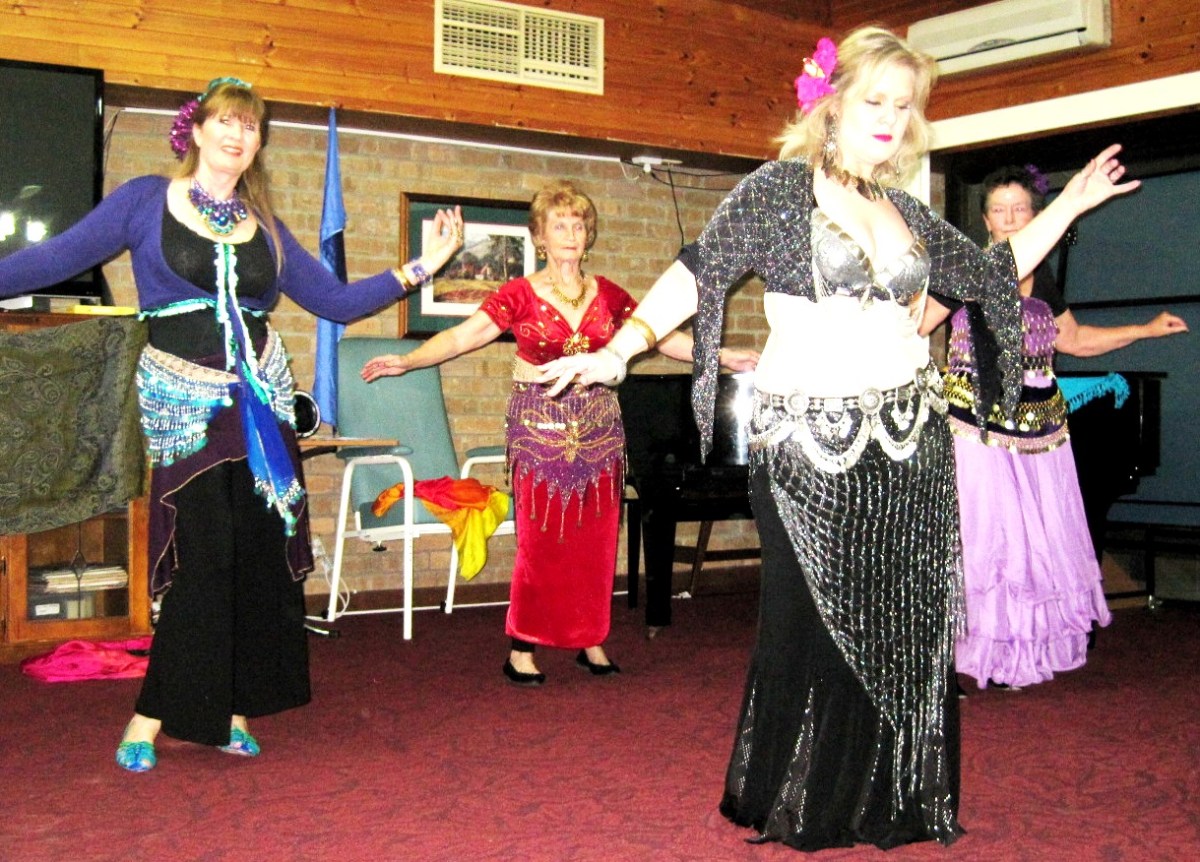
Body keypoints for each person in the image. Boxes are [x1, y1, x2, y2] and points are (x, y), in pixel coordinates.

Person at [537, 27, 1138, 851]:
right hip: (807, 446)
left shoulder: (908, 210)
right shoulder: (782, 191)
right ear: (830, 106)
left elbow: (992, 275)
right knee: (814, 621)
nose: (892, 118)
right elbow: (699, 268)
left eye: (905, 104)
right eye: (875, 101)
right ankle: (806, 794)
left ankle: (890, 795)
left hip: (906, 441)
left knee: (907, 622)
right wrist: (617, 349)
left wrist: (1069, 205)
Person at [0, 77, 464, 772]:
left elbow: (335, 303)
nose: (238, 135)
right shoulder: (143, 201)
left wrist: (424, 265)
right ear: (195, 128)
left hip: (261, 408)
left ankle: (233, 706)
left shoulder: (265, 228)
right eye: (226, 121)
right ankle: (151, 716)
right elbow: (52, 258)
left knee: (252, 557)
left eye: (250, 127)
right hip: (187, 403)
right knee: (203, 556)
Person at [361, 179, 757, 686]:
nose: (570, 234)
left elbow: (658, 335)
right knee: (542, 540)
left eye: (578, 225)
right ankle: (522, 646)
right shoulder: (518, 295)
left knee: (594, 540)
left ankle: (589, 637)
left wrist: (720, 355)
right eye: (559, 225)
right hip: (539, 431)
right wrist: (408, 360)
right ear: (540, 237)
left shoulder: (609, 294)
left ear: (587, 235)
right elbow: (464, 336)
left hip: (600, 432)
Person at [921, 164, 1188, 691]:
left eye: (1020, 208)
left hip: (1041, 432)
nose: (1010, 218)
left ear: (1037, 214)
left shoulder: (1044, 280)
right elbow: (916, 325)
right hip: (975, 429)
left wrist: (1145, 329)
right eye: (999, 210)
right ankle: (960, 655)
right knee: (984, 541)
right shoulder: (967, 270)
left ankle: (1021, 653)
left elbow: (1077, 340)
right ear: (985, 219)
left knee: (1034, 542)